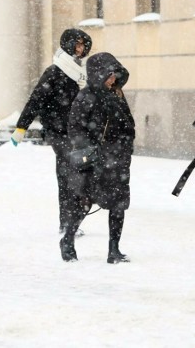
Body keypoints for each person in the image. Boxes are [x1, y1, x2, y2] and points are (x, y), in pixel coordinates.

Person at [10, 29, 92, 235]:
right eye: (77, 44)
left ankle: (75, 216)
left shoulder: (82, 73)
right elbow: (35, 100)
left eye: (83, 45)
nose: (80, 49)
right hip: (58, 132)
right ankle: (67, 222)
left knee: (83, 174)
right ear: (68, 44)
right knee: (67, 174)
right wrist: (21, 127)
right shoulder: (55, 72)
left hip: (79, 132)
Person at [60, 52, 135, 263]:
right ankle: (67, 240)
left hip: (118, 159)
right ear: (98, 74)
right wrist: (91, 149)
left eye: (115, 74)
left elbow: (128, 124)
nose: (113, 79)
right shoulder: (86, 96)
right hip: (95, 160)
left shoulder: (118, 95)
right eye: (109, 75)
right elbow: (75, 128)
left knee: (119, 204)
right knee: (85, 202)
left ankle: (114, 250)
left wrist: (126, 147)